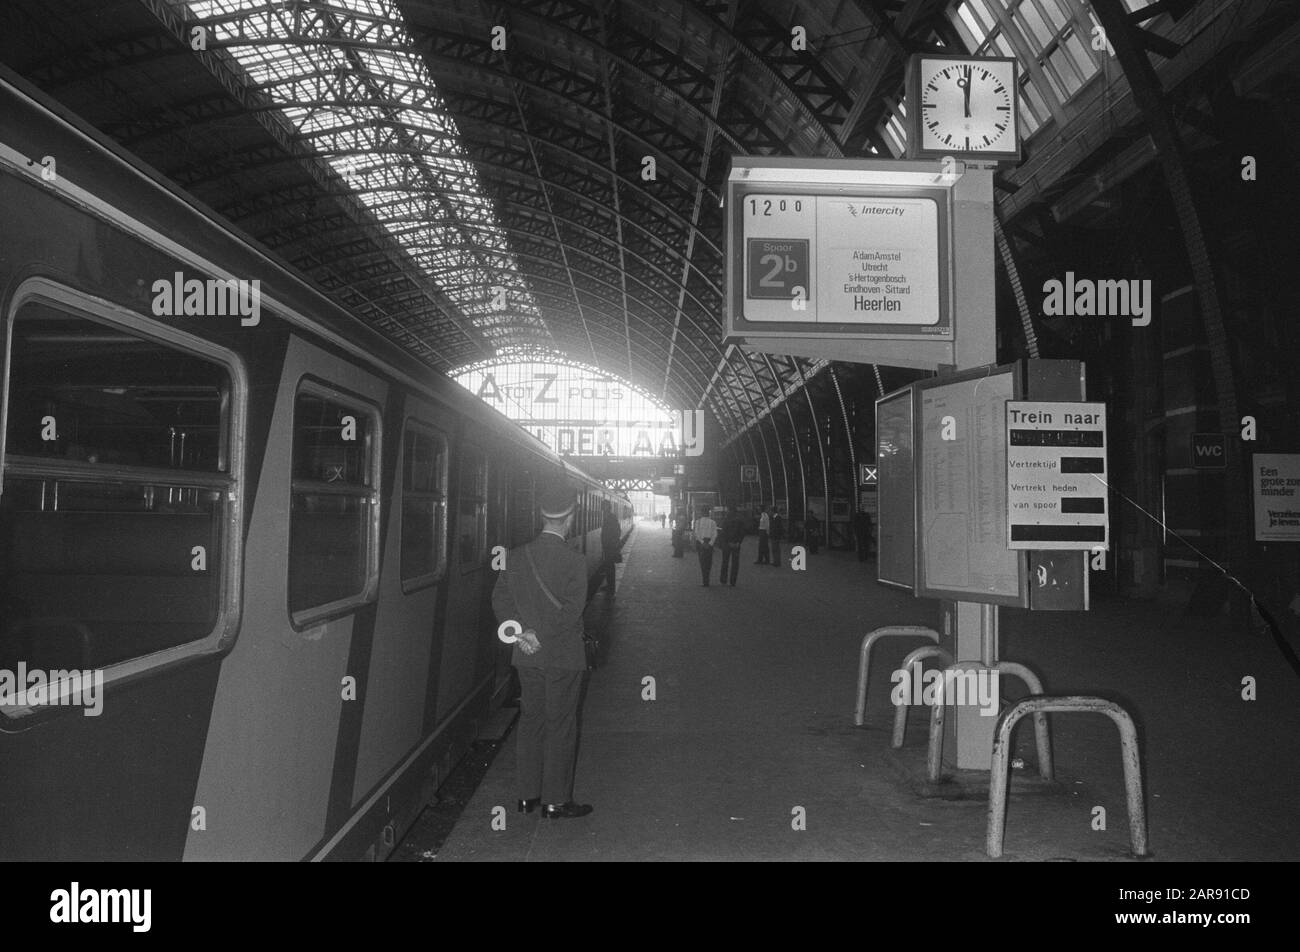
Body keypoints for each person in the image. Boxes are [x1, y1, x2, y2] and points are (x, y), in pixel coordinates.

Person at [490, 483, 593, 820]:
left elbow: (500, 600)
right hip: (562, 656)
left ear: (541, 516)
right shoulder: (576, 561)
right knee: (560, 724)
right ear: (571, 517)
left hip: (526, 656)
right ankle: (555, 801)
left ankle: (526, 795)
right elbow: (571, 611)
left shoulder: (515, 556)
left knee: (531, 720)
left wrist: (521, 633)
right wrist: (539, 633)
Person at [599, 501, 622, 597]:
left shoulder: (611, 517)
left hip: (610, 546)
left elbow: (617, 531)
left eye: (604, 506)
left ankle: (611, 588)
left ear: (608, 507)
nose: (602, 508)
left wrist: (612, 543)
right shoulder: (608, 517)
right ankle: (609, 585)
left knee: (610, 566)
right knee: (608, 566)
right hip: (608, 545)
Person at [719, 505, 744, 587]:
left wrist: (728, 542)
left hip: (727, 544)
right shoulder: (740, 520)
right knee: (735, 563)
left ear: (729, 510)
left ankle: (723, 580)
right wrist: (738, 542)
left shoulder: (725, 520)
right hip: (736, 544)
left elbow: (723, 533)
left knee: (725, 562)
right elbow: (742, 533)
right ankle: (733, 581)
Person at [692, 506, 718, 586]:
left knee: (702, 562)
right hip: (710, 544)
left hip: (701, 544)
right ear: (708, 513)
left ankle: (705, 581)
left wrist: (702, 542)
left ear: (701, 513)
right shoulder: (713, 522)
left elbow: (696, 534)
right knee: (709, 562)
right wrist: (710, 543)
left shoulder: (697, 522)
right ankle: (707, 579)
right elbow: (715, 534)